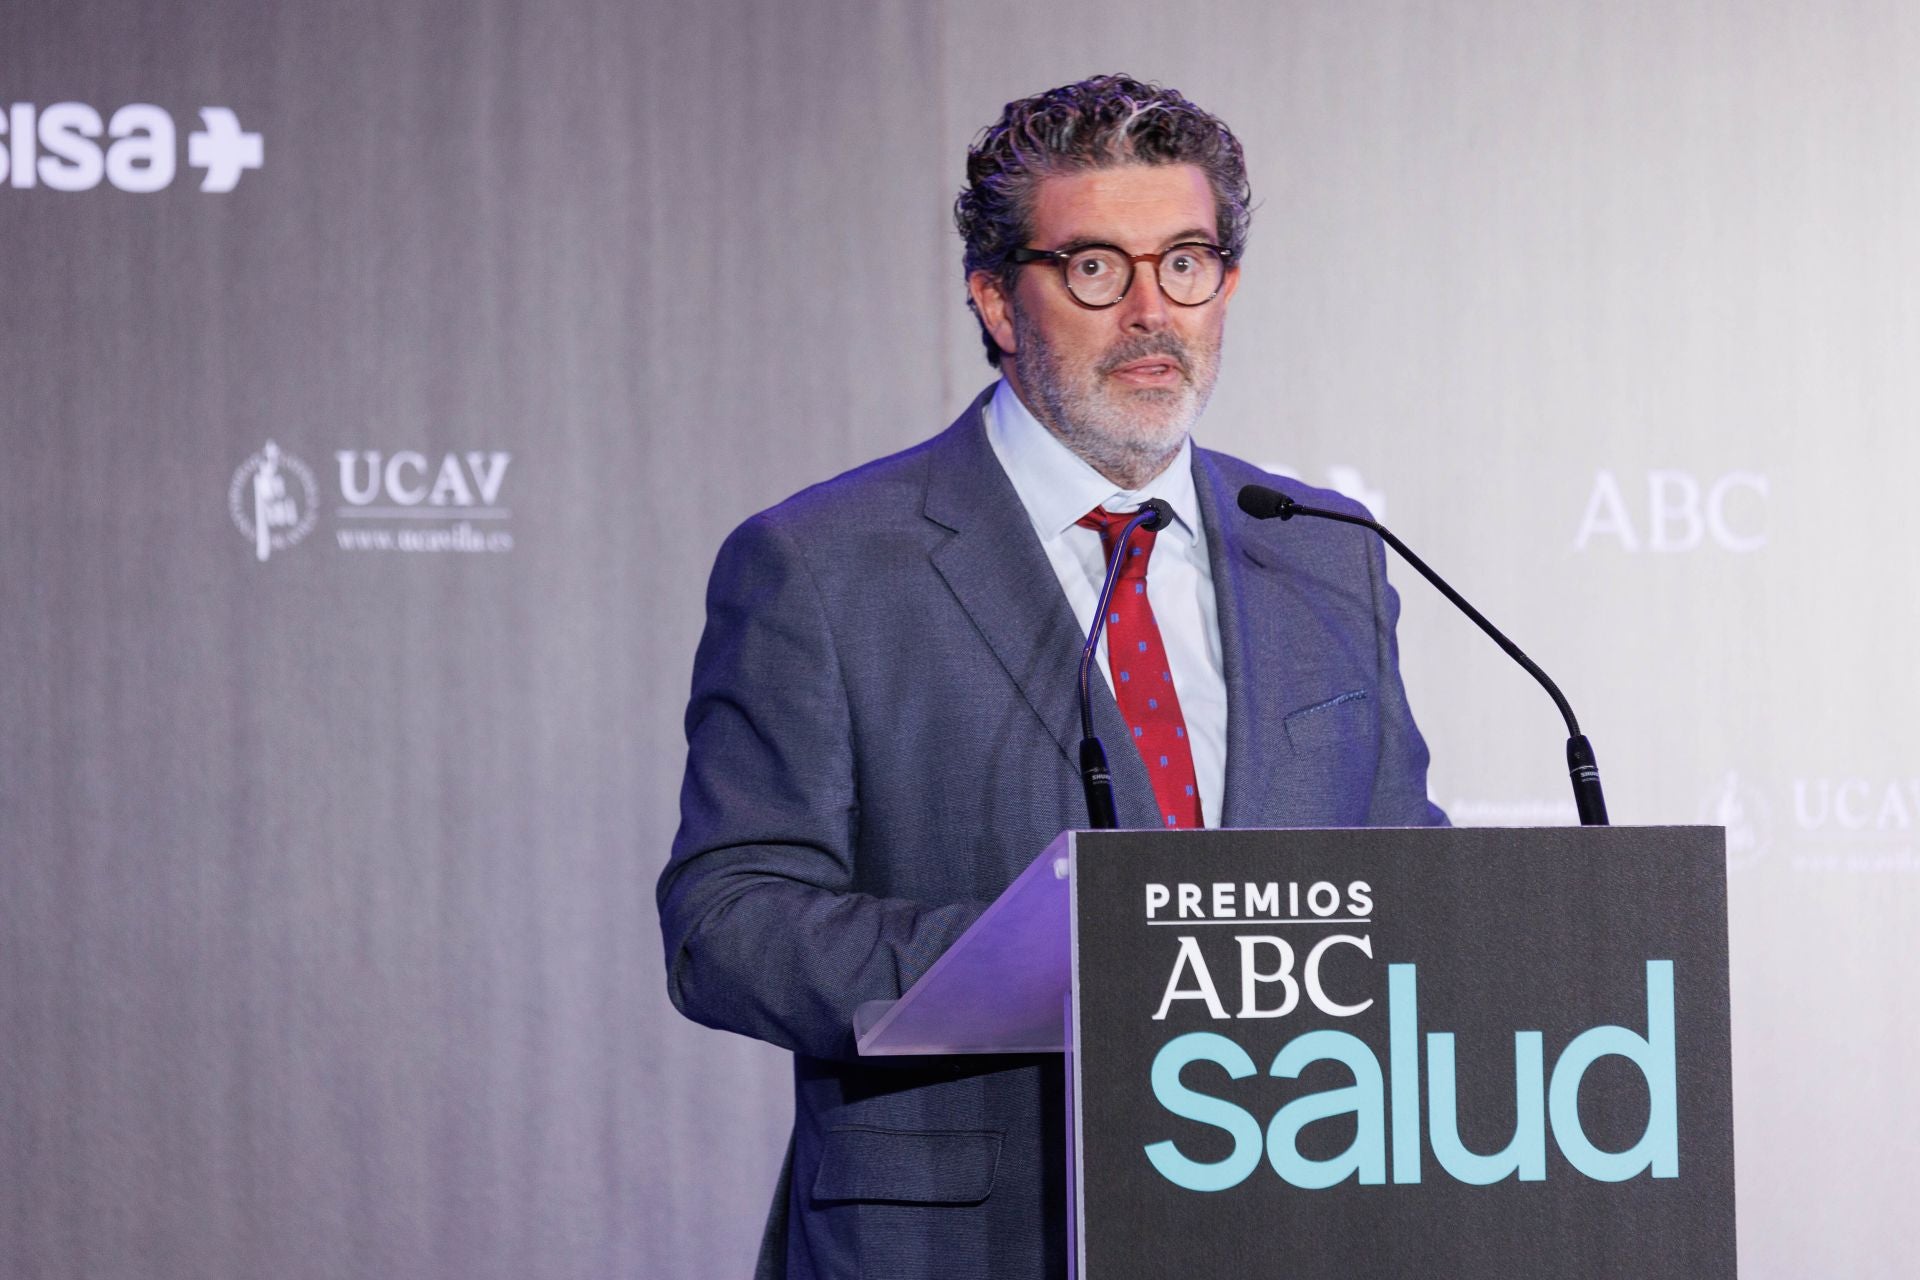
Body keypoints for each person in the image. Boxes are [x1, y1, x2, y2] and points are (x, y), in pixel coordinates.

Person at [657, 74, 1447, 1280]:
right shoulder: (822, 566)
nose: (1150, 311)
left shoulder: (1325, 550)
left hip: (1295, 1214)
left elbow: (1407, 874)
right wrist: (1063, 963)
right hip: (970, 1239)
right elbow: (730, 922)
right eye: (1095, 268)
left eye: (1186, 261)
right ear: (995, 297)